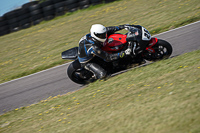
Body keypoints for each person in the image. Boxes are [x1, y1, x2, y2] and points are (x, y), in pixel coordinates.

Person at [78, 24, 146, 80]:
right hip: (88, 61)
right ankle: (95, 77)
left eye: (104, 34)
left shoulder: (96, 35)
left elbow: (108, 29)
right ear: (95, 35)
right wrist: (124, 53)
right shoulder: (94, 47)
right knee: (104, 75)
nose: (104, 36)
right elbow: (108, 57)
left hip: (94, 51)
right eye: (102, 35)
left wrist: (122, 26)